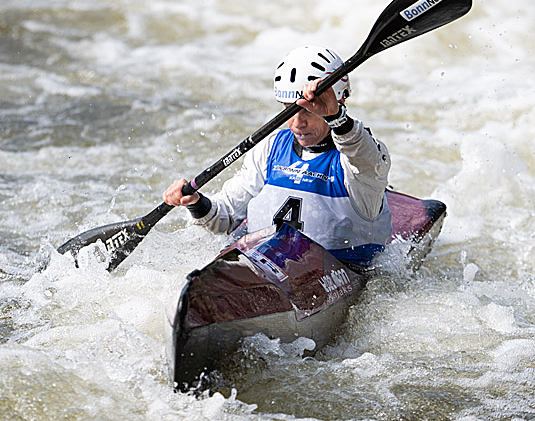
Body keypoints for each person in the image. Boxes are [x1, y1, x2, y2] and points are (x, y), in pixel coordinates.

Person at [163, 46, 392, 266]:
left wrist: (337, 118)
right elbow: (224, 218)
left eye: (309, 110)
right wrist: (195, 203)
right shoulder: (271, 148)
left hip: (341, 270)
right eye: (289, 109)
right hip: (266, 267)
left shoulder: (361, 158)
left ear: (339, 101)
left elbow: (362, 156)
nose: (297, 123)